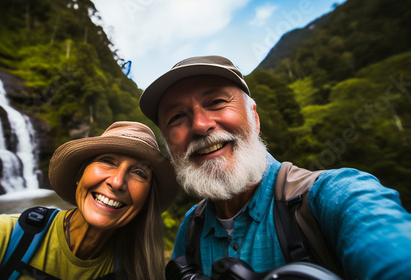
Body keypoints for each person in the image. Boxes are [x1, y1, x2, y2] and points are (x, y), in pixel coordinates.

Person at [139, 55, 411, 279]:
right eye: (176, 117)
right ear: (168, 146)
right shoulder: (191, 228)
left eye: (217, 102)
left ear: (254, 118)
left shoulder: (334, 194)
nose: (200, 125)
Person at [0, 121, 180, 280]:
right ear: (79, 175)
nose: (117, 182)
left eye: (139, 173)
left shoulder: (138, 271)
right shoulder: (1, 235)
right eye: (107, 160)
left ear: (147, 198)